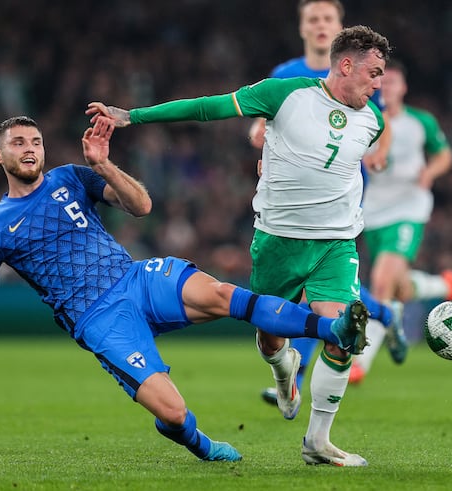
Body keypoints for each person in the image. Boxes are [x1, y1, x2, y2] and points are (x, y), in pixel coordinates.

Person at [0, 115, 371, 464]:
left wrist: (104, 166)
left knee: (226, 296)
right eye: (18, 143)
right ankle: (201, 444)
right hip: (99, 320)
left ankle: (333, 329)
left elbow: (142, 205)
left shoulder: (71, 177)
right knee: (173, 412)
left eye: (36, 141)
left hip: (136, 279)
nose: (29, 149)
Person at [87, 24, 391, 467]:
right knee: (270, 338)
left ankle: (317, 443)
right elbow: (207, 108)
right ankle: (282, 368)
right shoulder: (283, 94)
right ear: (346, 65)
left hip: (337, 243)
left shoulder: (373, 121)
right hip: (279, 242)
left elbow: (342, 171)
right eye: (374, 73)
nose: (378, 83)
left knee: (344, 334)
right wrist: (133, 116)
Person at [246, 0, 403, 408]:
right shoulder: (286, 75)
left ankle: (294, 375)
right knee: (319, 294)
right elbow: (259, 123)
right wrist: (262, 139)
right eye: (312, 19)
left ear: (339, 26)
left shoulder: (360, 75)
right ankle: (385, 316)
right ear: (302, 28)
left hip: (341, 198)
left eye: (327, 19)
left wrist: (380, 151)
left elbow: (381, 121)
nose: (319, 25)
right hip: (292, 195)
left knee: (316, 291)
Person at [349, 59, 452, 384]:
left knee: (382, 283)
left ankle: (361, 362)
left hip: (408, 209)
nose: (386, 87)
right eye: (381, 82)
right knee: (399, 288)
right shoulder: (361, 117)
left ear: (403, 88)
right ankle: (444, 284)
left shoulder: (420, 122)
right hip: (370, 212)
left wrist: (430, 171)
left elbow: (444, 154)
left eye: (392, 83)